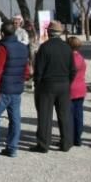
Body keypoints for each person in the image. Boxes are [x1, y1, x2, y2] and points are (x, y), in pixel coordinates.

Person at [0, 21, 30, 159]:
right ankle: (12, 147)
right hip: (16, 88)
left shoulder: (2, 48)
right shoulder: (22, 47)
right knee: (15, 119)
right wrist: (22, 79)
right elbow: (26, 69)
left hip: (3, 88)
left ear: (2, 33)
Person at [30, 20, 75, 153]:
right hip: (64, 84)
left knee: (45, 115)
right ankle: (66, 142)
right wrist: (68, 82)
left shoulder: (45, 47)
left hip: (47, 85)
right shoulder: (67, 47)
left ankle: (43, 144)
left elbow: (39, 69)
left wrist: (37, 84)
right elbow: (73, 69)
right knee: (64, 115)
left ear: (48, 33)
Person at [68, 35, 87, 147]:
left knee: (70, 114)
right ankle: (78, 137)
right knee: (78, 114)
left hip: (72, 89)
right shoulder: (80, 57)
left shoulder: (71, 59)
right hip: (81, 87)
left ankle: (72, 136)